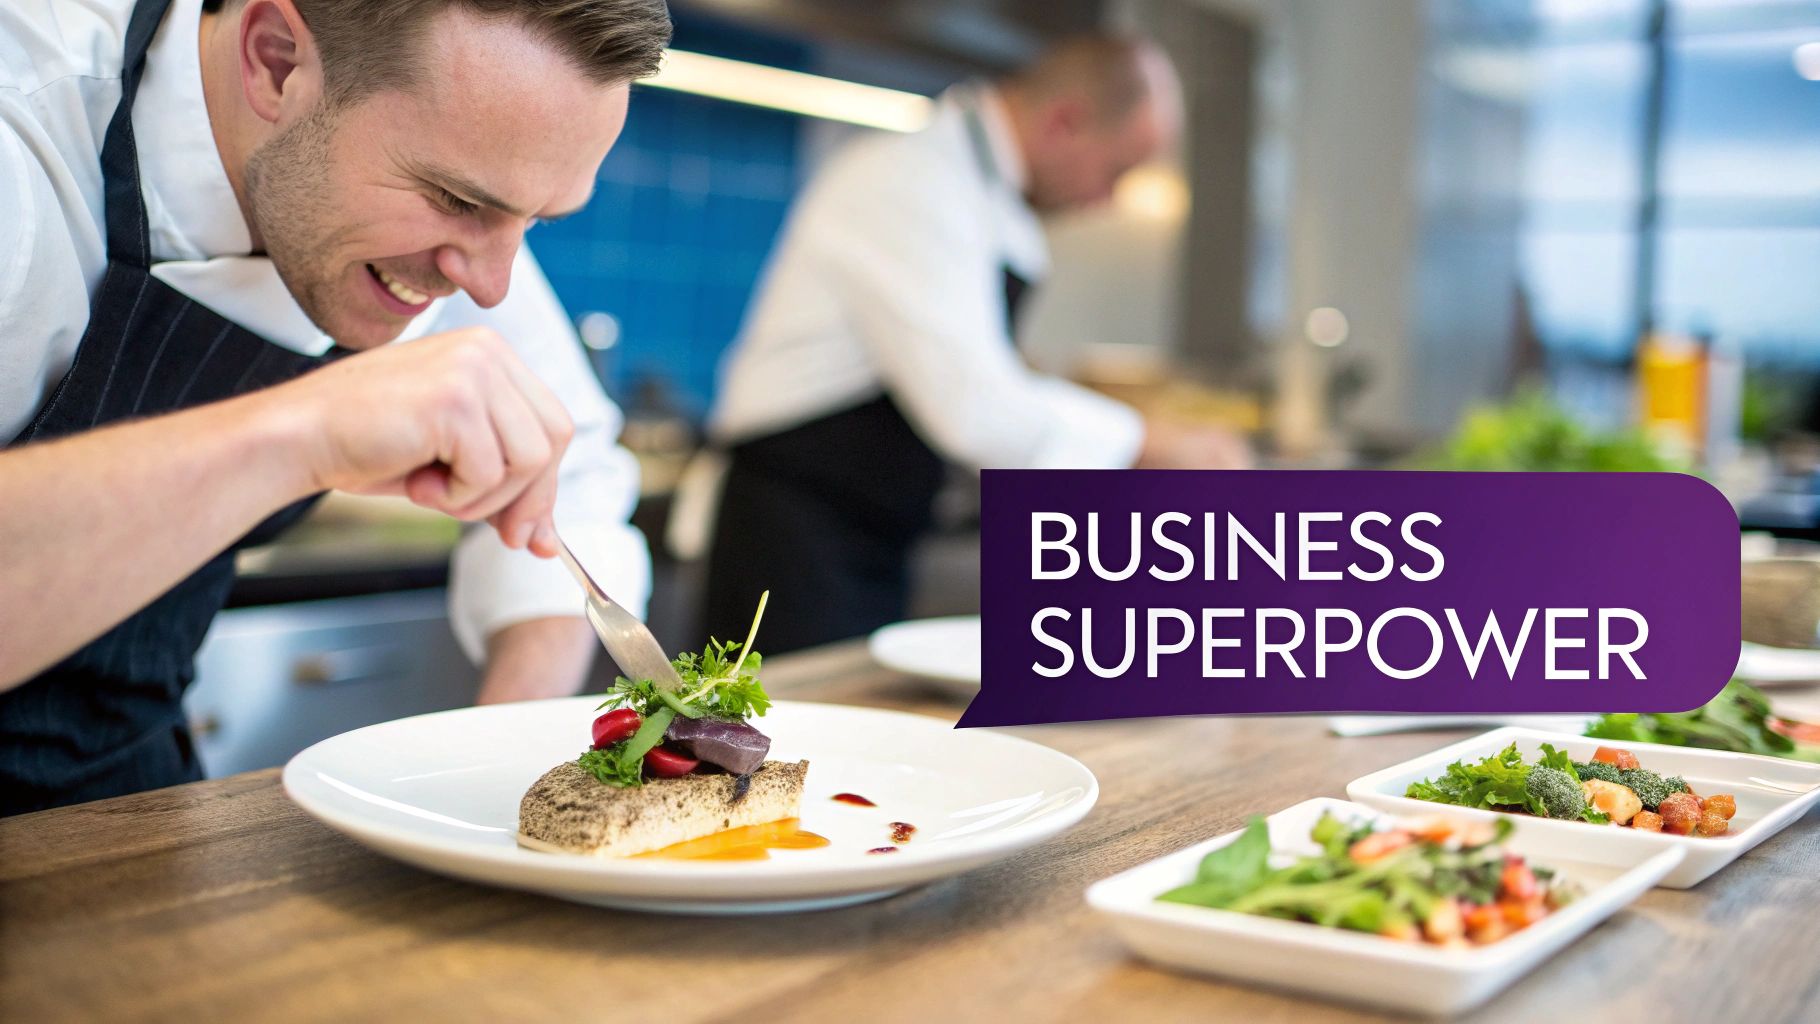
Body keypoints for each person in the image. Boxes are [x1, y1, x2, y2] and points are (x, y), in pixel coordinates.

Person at [0, 0, 671, 815]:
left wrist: (503, 770)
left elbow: (574, 473)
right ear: (277, 59)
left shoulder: (448, 199)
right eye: (458, 200)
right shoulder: (22, 141)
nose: (489, 283)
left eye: (533, 219)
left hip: (123, 789)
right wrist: (307, 432)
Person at [698, 33, 1251, 653]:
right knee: (769, 743)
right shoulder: (910, 181)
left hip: (870, 532)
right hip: (793, 544)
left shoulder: (978, 189)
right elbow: (976, 409)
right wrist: (1155, 443)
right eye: (1116, 170)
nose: (1108, 200)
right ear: (1066, 122)